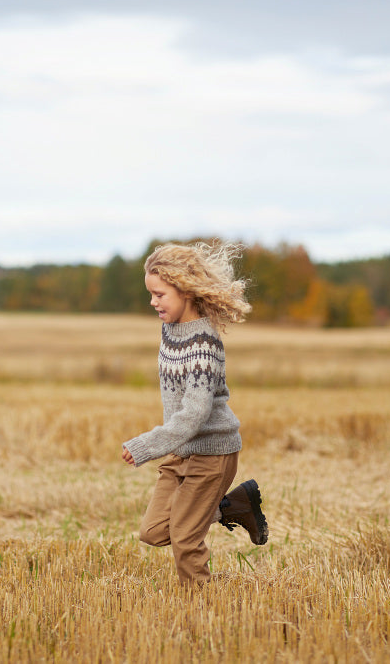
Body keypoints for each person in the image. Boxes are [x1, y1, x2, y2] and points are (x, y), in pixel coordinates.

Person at [121, 241, 269, 584]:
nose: (153, 302)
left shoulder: (204, 344)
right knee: (154, 531)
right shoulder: (170, 331)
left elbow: (194, 415)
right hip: (181, 452)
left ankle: (202, 602)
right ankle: (234, 507)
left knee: (186, 539)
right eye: (151, 294)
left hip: (210, 455)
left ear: (184, 289)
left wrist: (146, 445)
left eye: (160, 294)